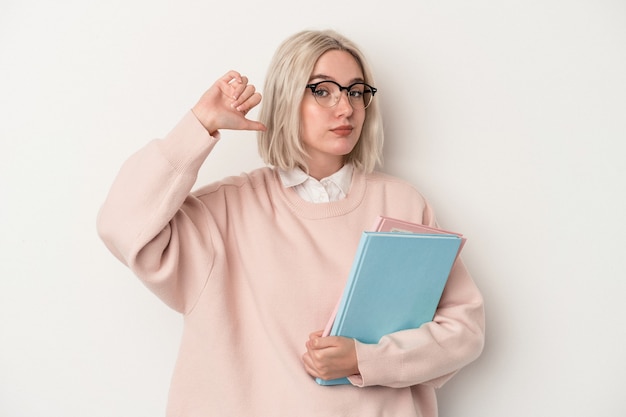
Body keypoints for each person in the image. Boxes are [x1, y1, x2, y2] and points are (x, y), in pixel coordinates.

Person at [97, 29, 485, 417]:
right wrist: (198, 125)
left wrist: (365, 360)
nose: (346, 108)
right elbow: (121, 222)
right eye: (322, 90)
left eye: (355, 91)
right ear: (286, 98)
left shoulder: (402, 203)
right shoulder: (226, 210)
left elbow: (464, 330)